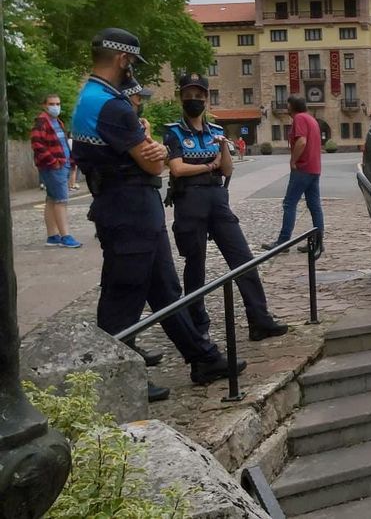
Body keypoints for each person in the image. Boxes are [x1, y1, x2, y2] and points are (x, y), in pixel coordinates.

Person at [72, 28, 244, 401]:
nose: (133, 69)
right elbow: (153, 166)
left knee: (166, 289)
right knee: (123, 295)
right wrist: (153, 154)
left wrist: (153, 152)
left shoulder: (94, 97)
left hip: (132, 209)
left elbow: (155, 155)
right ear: (121, 59)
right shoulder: (112, 106)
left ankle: (203, 358)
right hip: (128, 207)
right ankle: (114, 379)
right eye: (132, 62)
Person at [165, 73, 290, 342]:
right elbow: (176, 168)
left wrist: (222, 151)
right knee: (195, 263)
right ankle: (199, 326)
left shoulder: (218, 132)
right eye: (189, 95)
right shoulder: (174, 131)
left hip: (217, 197)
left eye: (199, 96)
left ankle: (259, 318)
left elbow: (228, 168)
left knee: (242, 256)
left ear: (206, 99)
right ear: (181, 97)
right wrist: (209, 166)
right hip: (189, 201)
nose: (194, 100)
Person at [262, 95, 324, 254]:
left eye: (288, 105)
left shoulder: (300, 119)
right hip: (314, 168)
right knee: (315, 206)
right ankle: (318, 243)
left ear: (293, 107)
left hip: (302, 169)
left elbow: (302, 141)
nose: (286, 108)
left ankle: (283, 243)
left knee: (289, 204)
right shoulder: (312, 119)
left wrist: (293, 160)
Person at [30, 94, 82, 248]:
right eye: (52, 103)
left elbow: (63, 143)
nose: (56, 106)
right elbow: (37, 144)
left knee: (52, 200)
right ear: (44, 105)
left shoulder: (57, 121)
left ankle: (52, 236)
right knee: (61, 201)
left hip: (61, 165)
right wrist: (54, 162)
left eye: (58, 103)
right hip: (53, 167)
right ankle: (65, 236)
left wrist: (70, 161)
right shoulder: (41, 122)